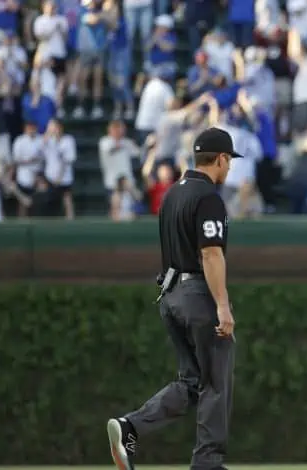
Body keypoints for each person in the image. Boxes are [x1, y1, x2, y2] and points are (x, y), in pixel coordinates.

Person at [106, 127, 242, 470]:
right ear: (221, 158)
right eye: (229, 161)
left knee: (192, 382)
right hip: (197, 294)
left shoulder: (171, 194)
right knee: (214, 381)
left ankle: (130, 426)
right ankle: (207, 463)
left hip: (169, 295)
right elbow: (211, 254)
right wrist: (223, 305)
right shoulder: (208, 197)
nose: (229, 169)